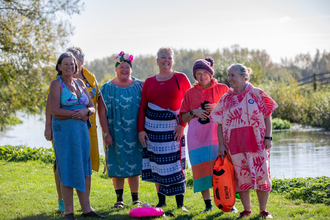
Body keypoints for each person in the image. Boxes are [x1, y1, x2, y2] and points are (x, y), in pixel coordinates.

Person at [210, 63, 277, 219]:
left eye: (233, 75)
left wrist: (268, 137)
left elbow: (268, 116)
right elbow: (218, 123)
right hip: (234, 145)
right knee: (241, 177)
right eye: (228, 75)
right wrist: (221, 145)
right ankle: (246, 209)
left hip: (258, 143)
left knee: (262, 175)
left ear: (244, 76)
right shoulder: (226, 98)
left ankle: (263, 210)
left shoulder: (257, 93)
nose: (229, 79)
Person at [48, 52, 104, 220]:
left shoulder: (80, 82)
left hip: (81, 133)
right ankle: (69, 212)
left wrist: (86, 111)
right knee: (67, 168)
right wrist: (75, 114)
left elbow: (91, 107)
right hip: (64, 134)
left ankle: (86, 210)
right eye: (65, 64)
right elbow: (54, 110)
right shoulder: (56, 85)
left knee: (84, 168)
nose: (69, 67)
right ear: (59, 67)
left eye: (72, 64)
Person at [181, 57, 239, 214]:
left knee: (224, 167)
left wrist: (218, 107)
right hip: (197, 138)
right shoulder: (190, 93)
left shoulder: (222, 88)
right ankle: (208, 205)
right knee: (202, 170)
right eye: (198, 73)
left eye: (204, 72)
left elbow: (234, 109)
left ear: (210, 73)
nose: (202, 76)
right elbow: (183, 118)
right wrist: (194, 112)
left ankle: (229, 202)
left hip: (218, 136)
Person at [138, 47, 191, 211]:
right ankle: (161, 202)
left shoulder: (180, 78)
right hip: (152, 130)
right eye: (162, 57)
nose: (165, 61)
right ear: (157, 60)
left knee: (176, 164)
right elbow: (142, 107)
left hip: (174, 129)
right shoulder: (149, 81)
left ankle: (180, 204)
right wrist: (141, 130)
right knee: (156, 164)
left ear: (172, 60)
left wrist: (182, 125)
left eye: (168, 58)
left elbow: (189, 103)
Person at [98, 51, 144, 208]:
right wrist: (106, 133)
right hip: (115, 132)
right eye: (121, 67)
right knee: (117, 163)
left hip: (134, 132)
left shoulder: (140, 86)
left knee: (134, 163)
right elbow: (102, 113)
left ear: (131, 69)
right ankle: (119, 199)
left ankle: (135, 198)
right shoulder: (106, 89)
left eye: (127, 67)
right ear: (116, 69)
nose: (124, 70)